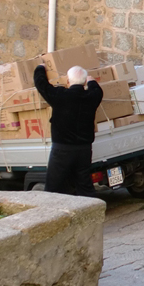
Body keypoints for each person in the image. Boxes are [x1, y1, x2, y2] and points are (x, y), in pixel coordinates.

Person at [33, 64, 103, 196]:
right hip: (84, 149)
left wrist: (40, 68)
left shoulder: (60, 95)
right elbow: (97, 89)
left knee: (53, 187)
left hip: (62, 150)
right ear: (84, 83)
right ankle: (91, 213)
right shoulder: (92, 97)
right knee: (85, 186)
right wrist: (91, 80)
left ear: (68, 81)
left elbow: (41, 84)